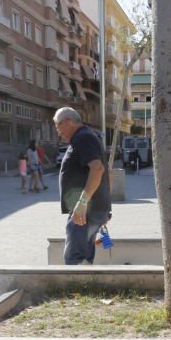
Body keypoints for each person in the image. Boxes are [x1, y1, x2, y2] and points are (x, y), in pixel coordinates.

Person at [55, 107, 111, 265]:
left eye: (58, 127)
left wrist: (82, 203)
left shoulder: (82, 137)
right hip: (91, 210)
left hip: (85, 212)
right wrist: (104, 207)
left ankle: (75, 290)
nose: (59, 133)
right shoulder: (87, 136)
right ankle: (85, 288)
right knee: (84, 259)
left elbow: (98, 169)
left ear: (66, 122)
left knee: (75, 260)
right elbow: (108, 174)